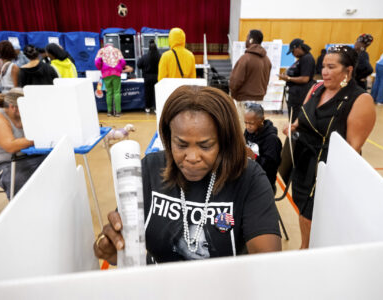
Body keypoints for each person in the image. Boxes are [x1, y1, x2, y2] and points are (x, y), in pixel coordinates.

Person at [94, 85, 281, 265]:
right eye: (181, 145)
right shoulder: (150, 169)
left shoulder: (248, 177)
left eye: (206, 146)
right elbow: (120, 249)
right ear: (168, 138)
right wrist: (111, 247)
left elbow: (266, 263)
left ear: (224, 142)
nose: (192, 158)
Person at [284, 45, 376, 249]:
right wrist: (293, 126)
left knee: (313, 214)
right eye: (323, 66)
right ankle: (307, 246)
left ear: (348, 70)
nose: (324, 71)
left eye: (331, 67)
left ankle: (309, 251)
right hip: (304, 161)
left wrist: (334, 176)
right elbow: (302, 118)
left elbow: (353, 148)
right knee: (303, 210)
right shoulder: (316, 88)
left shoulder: (360, 99)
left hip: (328, 169)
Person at [0, 88, 46, 199]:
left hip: (22, 158)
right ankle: (24, 212)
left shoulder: (24, 115)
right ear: (13, 107)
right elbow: (10, 146)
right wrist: (40, 136)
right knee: (19, 178)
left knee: (54, 162)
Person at [229, 29, 272, 125]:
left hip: (244, 100)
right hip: (260, 100)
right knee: (256, 127)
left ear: (251, 40)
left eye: (247, 38)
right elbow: (266, 80)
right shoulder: (267, 60)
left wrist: (233, 93)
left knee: (244, 128)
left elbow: (236, 81)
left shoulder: (245, 58)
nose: (246, 40)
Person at [243, 102, 282, 192]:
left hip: (264, 183)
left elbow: (271, 167)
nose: (248, 126)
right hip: (249, 175)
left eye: (251, 123)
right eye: (246, 123)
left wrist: (254, 157)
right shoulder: (249, 132)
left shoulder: (272, 140)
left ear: (261, 120)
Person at [279, 38, 316, 123]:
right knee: (292, 118)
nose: (293, 54)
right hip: (295, 95)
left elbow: (305, 78)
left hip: (300, 95)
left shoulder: (307, 59)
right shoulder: (301, 59)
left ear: (299, 47)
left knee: (296, 119)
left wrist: (288, 78)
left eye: (293, 51)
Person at [95, 43, 131, 117]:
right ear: (112, 46)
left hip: (106, 73)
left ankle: (109, 112)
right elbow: (123, 62)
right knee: (117, 92)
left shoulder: (101, 51)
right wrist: (120, 67)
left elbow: (97, 62)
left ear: (105, 46)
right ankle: (118, 112)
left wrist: (101, 68)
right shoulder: (116, 50)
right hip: (116, 73)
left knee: (109, 92)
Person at [137, 39, 160, 113]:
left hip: (147, 78)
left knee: (148, 93)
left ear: (148, 48)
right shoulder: (160, 56)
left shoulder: (144, 57)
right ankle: (156, 108)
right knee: (156, 93)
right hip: (157, 77)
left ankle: (148, 107)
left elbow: (139, 65)